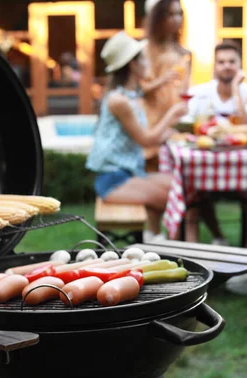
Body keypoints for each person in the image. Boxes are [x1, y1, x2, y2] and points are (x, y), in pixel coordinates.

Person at [86, 31, 188, 243]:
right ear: (132, 65)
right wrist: (172, 115)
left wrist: (170, 131)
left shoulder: (130, 95)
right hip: (114, 180)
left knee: (182, 184)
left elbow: (144, 133)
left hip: (130, 173)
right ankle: (178, 251)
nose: (146, 61)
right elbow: (145, 140)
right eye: (141, 57)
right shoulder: (119, 100)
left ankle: (160, 241)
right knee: (180, 197)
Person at [183, 41, 247, 246]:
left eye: (232, 61)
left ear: (240, 65)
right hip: (207, 166)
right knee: (192, 191)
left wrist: (236, 88)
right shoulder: (200, 92)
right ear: (215, 67)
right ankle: (211, 241)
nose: (227, 66)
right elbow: (188, 125)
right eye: (221, 62)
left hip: (244, 168)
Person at [141, 0, 191, 172]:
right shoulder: (147, 49)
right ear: (159, 18)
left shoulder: (183, 52)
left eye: (179, 14)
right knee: (153, 172)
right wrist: (163, 79)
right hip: (152, 122)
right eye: (170, 14)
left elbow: (185, 89)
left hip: (172, 121)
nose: (176, 19)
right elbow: (140, 90)